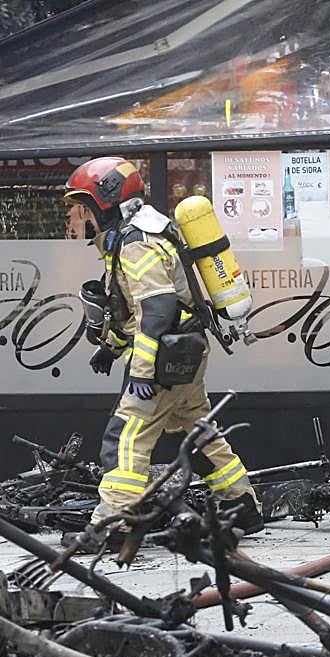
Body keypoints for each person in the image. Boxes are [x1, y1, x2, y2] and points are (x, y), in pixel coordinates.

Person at [63, 157, 263, 548]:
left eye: (85, 207)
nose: (83, 217)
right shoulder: (141, 233)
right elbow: (132, 311)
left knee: (126, 439)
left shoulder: (137, 242)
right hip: (184, 351)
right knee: (195, 431)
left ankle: (114, 526)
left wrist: (141, 372)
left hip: (163, 360)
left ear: (107, 200)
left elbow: (156, 311)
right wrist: (110, 349)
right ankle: (241, 505)